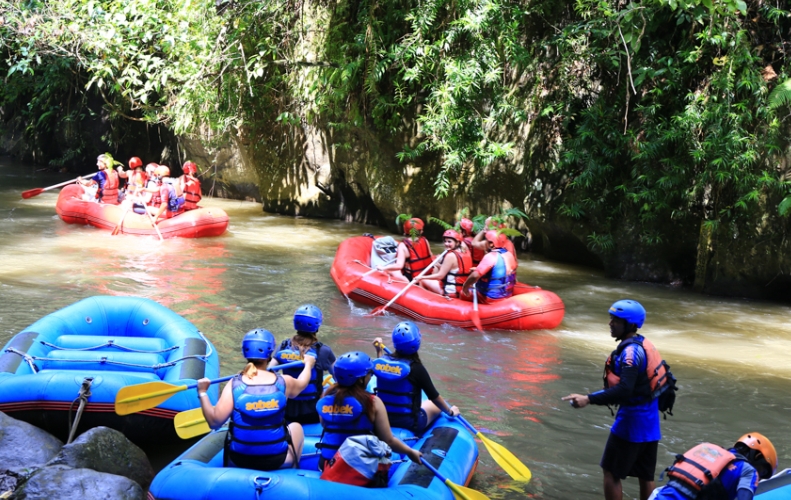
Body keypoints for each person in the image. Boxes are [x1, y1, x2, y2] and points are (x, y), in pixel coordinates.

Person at [562, 300, 665, 500]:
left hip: (631, 423)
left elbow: (625, 390)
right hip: (650, 424)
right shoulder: (643, 344)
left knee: (611, 472)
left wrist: (588, 399)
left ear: (630, 325)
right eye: (611, 319)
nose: (610, 324)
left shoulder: (630, 353)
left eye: (616, 321)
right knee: (645, 475)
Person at [196, 328, 317, 471]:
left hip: (239, 459)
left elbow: (214, 422)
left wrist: (202, 392)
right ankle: (290, 474)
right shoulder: (284, 382)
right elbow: (302, 384)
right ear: (270, 354)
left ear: (244, 353)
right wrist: (308, 365)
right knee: (296, 427)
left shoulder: (234, 384)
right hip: (277, 460)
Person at [316, 351, 422, 471]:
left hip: (326, 465)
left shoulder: (325, 398)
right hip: (359, 470)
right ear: (361, 380)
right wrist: (410, 452)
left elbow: (324, 424)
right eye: (369, 374)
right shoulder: (373, 402)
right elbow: (388, 440)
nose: (370, 376)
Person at [371, 321, 459, 435]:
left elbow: (383, 370)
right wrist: (450, 412)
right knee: (433, 405)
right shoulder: (417, 368)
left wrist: (379, 351)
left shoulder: (380, 364)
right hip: (409, 422)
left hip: (382, 418)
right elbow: (434, 397)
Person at [649, 433, 778, 500]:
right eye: (763, 471)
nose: (759, 478)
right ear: (757, 457)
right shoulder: (750, 471)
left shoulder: (709, 451)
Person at [269, 304, 336, 425]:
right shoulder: (323, 350)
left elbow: (269, 371)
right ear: (317, 326)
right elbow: (340, 378)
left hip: (287, 412)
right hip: (312, 414)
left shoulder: (284, 346)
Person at [461, 230, 517, 302]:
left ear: (491, 244)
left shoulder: (491, 256)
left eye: (486, 241)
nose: (484, 243)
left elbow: (474, 276)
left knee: (462, 293)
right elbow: (500, 271)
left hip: (491, 297)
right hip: (507, 295)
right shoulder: (509, 255)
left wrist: (465, 286)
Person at [414, 229, 472, 298]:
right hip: (461, 291)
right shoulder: (467, 253)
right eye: (445, 241)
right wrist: (439, 266)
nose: (446, 244)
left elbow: (440, 276)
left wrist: (421, 277)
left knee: (423, 281)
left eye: (449, 242)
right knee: (435, 277)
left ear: (457, 243)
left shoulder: (450, 256)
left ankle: (425, 301)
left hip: (450, 292)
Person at [376, 217, 433, 282]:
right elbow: (430, 256)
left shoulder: (403, 246)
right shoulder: (425, 240)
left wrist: (383, 268)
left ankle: (407, 282)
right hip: (427, 274)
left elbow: (399, 266)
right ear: (420, 231)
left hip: (414, 278)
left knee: (393, 271)